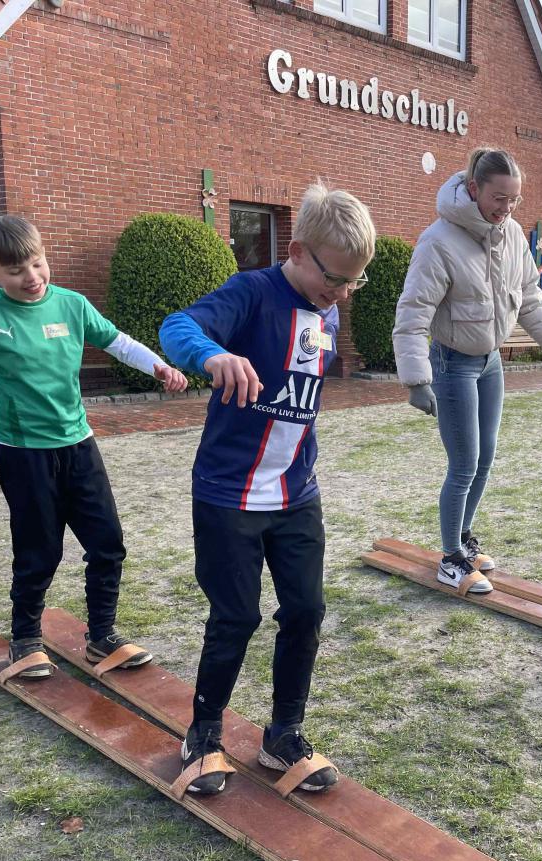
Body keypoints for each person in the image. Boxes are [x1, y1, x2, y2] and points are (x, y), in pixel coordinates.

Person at [0, 214, 188, 679]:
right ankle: (25, 640)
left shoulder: (71, 305)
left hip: (79, 446)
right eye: (15, 271)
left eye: (37, 263)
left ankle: (102, 637)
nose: (31, 277)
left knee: (108, 544)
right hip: (24, 453)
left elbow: (117, 342)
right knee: (39, 551)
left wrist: (159, 367)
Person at [158, 184, 376, 796]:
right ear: (300, 250)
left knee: (306, 610)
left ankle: (284, 735)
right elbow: (177, 326)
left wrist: (335, 292)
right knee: (235, 616)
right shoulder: (252, 293)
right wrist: (210, 356)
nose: (341, 295)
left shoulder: (327, 304)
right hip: (229, 494)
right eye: (335, 279)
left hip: (296, 493)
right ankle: (203, 736)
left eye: (353, 284)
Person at [393, 148, 542, 596]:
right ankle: (451, 559)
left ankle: (465, 540)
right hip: (452, 363)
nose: (507, 209)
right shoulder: (438, 241)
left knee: (486, 459)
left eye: (514, 200)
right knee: (464, 463)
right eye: (499, 198)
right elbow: (414, 312)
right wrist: (416, 380)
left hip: (491, 363)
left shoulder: (511, 235)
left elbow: (528, 296)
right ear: (474, 189)